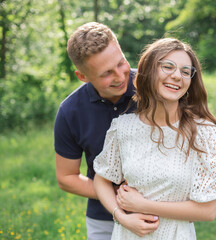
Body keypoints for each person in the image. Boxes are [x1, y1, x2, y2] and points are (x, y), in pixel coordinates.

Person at [93, 38, 216, 239]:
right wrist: (122, 217)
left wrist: (143, 205)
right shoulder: (123, 127)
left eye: (186, 72)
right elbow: (101, 179)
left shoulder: (203, 131)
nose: (177, 76)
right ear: (149, 71)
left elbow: (208, 211)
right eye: (168, 67)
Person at [54, 22, 160, 240]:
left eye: (121, 63)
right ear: (82, 76)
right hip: (104, 220)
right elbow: (66, 177)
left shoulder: (155, 89)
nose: (121, 77)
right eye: (106, 73)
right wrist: (119, 198)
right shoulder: (70, 111)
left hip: (161, 212)